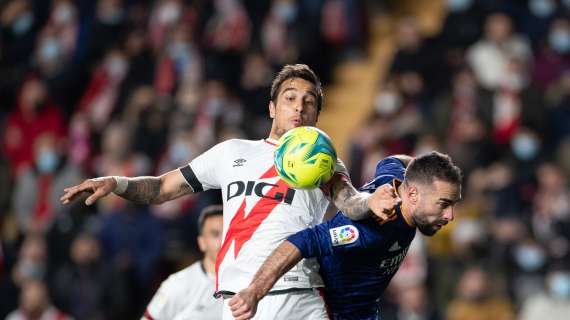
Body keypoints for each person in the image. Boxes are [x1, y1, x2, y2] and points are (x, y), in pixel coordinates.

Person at [61, 64, 393, 319]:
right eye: (290, 99)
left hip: (298, 293)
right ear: (271, 108)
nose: (298, 108)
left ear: (317, 115)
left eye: (308, 102)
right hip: (236, 300)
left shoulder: (325, 161)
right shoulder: (233, 152)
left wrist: (371, 200)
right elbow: (162, 188)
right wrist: (117, 183)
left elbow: (350, 202)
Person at [229, 152, 463, 320]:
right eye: (443, 204)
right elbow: (304, 240)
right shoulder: (369, 229)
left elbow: (391, 161)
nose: (450, 215)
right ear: (412, 194)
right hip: (335, 312)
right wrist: (255, 291)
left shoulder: (395, 179)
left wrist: (422, 172)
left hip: (367, 311)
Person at [142, 205, 224, 320]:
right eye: (215, 234)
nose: (223, 241)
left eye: (228, 233)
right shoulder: (178, 284)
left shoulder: (250, 282)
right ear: (201, 242)